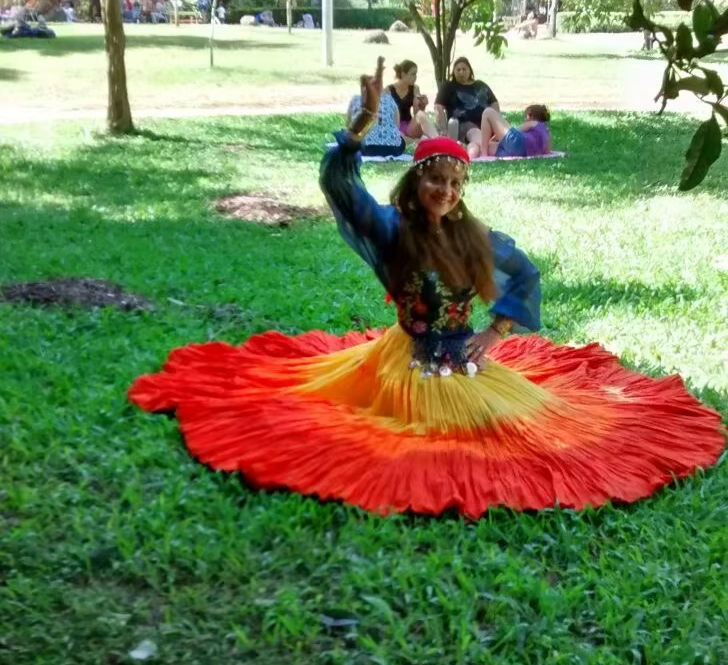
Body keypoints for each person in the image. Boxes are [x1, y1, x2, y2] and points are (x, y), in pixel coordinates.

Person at [128, 59, 724, 518]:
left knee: (528, 434)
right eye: (436, 179)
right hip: (406, 361)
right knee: (399, 443)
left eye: (456, 182)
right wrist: (357, 130)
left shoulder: (476, 238)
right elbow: (342, 190)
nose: (446, 191)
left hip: (467, 360)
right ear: (417, 183)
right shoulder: (392, 229)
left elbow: (526, 273)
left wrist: (496, 331)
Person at [434, 56, 499, 145]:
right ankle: (488, 146)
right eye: (458, 70)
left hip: (486, 123)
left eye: (464, 69)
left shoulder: (480, 85)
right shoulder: (448, 87)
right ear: (453, 72)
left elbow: (494, 103)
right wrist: (444, 129)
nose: (461, 72)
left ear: (470, 71)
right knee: (474, 132)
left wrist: (496, 121)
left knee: (503, 130)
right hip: (463, 125)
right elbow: (438, 107)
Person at [468, 104, 551, 160]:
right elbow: (547, 151)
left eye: (526, 116)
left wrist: (501, 128)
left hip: (518, 143)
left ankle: (484, 154)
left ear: (531, 115)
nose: (525, 119)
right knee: (486, 144)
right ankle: (474, 148)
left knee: (488, 112)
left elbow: (517, 131)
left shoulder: (534, 123)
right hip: (521, 153)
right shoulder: (547, 132)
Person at [347, 79, 405, 157]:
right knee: (400, 139)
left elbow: (349, 125)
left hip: (366, 148)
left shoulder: (356, 100)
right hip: (393, 149)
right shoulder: (390, 99)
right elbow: (396, 127)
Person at [387, 59, 435, 140]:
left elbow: (417, 113)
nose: (415, 77)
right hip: (394, 127)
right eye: (413, 74)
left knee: (421, 114)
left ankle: (438, 140)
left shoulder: (415, 88)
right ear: (403, 74)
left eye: (416, 74)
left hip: (409, 126)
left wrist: (423, 105)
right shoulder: (388, 90)